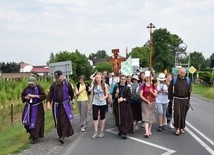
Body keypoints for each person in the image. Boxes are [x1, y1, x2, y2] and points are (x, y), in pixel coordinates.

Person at [46, 70, 75, 144]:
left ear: (62, 76)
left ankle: (63, 136)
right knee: (58, 121)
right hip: (56, 106)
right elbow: (50, 95)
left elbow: (72, 94)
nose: (57, 78)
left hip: (65, 105)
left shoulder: (67, 84)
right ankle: (60, 135)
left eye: (58, 77)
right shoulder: (53, 85)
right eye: (56, 77)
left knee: (64, 120)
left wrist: (73, 102)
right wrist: (48, 103)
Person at [21, 76, 46, 144]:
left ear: (35, 82)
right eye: (30, 84)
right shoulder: (26, 88)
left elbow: (44, 96)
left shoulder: (39, 88)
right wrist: (25, 97)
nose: (31, 85)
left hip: (37, 107)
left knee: (35, 122)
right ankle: (31, 134)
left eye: (32, 84)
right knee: (25, 121)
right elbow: (22, 96)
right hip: (28, 107)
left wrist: (35, 96)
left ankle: (34, 137)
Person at [168, 68, 191, 135]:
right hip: (177, 99)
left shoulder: (188, 80)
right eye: (181, 73)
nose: (182, 74)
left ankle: (182, 128)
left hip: (185, 100)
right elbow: (170, 89)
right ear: (179, 73)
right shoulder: (174, 80)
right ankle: (177, 128)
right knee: (177, 114)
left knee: (183, 114)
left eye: (183, 73)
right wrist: (170, 98)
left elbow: (189, 91)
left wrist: (188, 100)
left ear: (185, 73)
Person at [112, 75, 133, 139]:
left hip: (125, 105)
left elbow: (129, 97)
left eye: (124, 79)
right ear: (120, 80)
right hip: (118, 105)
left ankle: (124, 132)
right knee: (118, 117)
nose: (123, 80)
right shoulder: (116, 87)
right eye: (122, 79)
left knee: (125, 118)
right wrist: (116, 94)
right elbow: (113, 96)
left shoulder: (127, 88)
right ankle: (120, 130)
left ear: (126, 80)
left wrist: (123, 99)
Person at [89, 72, 109, 139]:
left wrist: (103, 98)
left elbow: (107, 95)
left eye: (99, 78)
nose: (98, 79)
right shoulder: (93, 86)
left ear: (101, 78)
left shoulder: (104, 85)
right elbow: (91, 95)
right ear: (95, 79)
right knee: (95, 117)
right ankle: (95, 131)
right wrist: (90, 104)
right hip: (95, 103)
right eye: (97, 78)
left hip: (103, 103)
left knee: (102, 117)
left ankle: (101, 131)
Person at [139, 71, 157, 138]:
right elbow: (140, 95)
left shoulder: (153, 86)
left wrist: (151, 92)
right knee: (146, 117)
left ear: (151, 78)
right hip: (145, 103)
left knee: (150, 117)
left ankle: (149, 129)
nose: (148, 79)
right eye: (146, 78)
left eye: (149, 77)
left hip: (152, 103)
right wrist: (146, 101)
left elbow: (156, 95)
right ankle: (146, 132)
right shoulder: (143, 86)